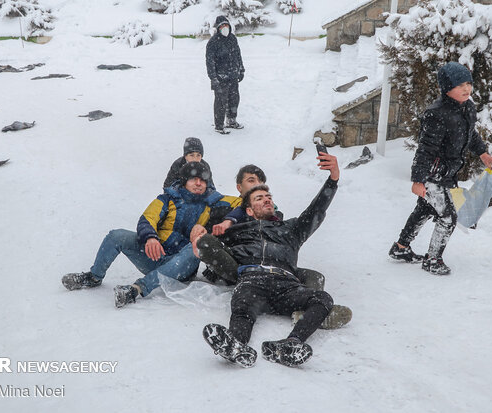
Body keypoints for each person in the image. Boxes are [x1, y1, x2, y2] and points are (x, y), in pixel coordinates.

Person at [198, 153, 341, 368]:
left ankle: (290, 344)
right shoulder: (237, 231)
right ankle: (237, 345)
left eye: (269, 198)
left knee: (323, 298)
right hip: (252, 279)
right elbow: (212, 248)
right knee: (243, 305)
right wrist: (199, 233)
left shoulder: (291, 229)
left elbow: (317, 209)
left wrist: (333, 179)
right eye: (259, 198)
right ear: (248, 210)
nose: (267, 200)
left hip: (287, 285)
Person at [61, 162, 236, 308]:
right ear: (184, 181)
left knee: (197, 245)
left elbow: (244, 202)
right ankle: (94, 276)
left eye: (202, 180)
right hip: (155, 255)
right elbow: (147, 219)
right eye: (193, 179)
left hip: (183, 267)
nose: (198, 183)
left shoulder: (214, 201)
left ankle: (137, 288)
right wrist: (150, 237)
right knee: (117, 235)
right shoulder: (167, 199)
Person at [388, 62, 492, 275]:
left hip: (448, 172)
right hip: (432, 174)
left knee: (425, 208)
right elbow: (425, 149)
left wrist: (482, 152)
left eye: (468, 83)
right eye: (459, 85)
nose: (466, 89)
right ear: (446, 88)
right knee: (448, 217)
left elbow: (470, 134)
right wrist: (418, 180)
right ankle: (432, 260)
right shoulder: (436, 114)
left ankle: (400, 249)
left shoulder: (467, 106)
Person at [206, 15, 245, 135]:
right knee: (221, 102)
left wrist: (241, 69)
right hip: (220, 78)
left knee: (234, 99)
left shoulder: (233, 39)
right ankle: (219, 125)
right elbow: (210, 62)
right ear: (218, 28)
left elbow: (238, 55)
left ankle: (231, 120)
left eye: (226, 25)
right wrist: (213, 78)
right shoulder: (213, 42)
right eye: (222, 26)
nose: (225, 28)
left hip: (233, 76)